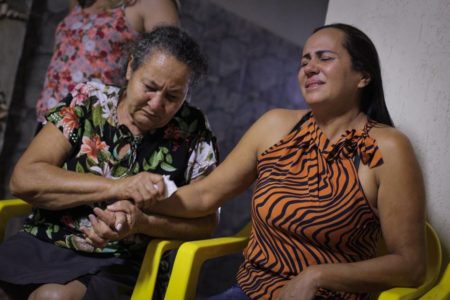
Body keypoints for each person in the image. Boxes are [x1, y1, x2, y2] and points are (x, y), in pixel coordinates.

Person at [94, 23, 426, 299]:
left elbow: (410, 265)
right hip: (249, 293)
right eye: (305, 60)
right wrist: (135, 199)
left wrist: (317, 276)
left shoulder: (387, 147)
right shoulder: (276, 126)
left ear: (363, 76)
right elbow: (205, 195)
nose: (309, 67)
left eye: (324, 58)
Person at [0, 26, 218, 300]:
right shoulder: (89, 101)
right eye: (149, 87)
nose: (156, 103)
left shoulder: (193, 129)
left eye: (172, 97)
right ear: (130, 69)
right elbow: (23, 180)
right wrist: (119, 186)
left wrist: (141, 222)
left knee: (52, 298)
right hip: (45, 238)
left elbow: (207, 222)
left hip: (123, 261)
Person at [35, 0, 180, 125]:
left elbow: (170, 65)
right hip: (49, 115)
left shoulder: (152, 3)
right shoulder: (83, 2)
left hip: (92, 123)